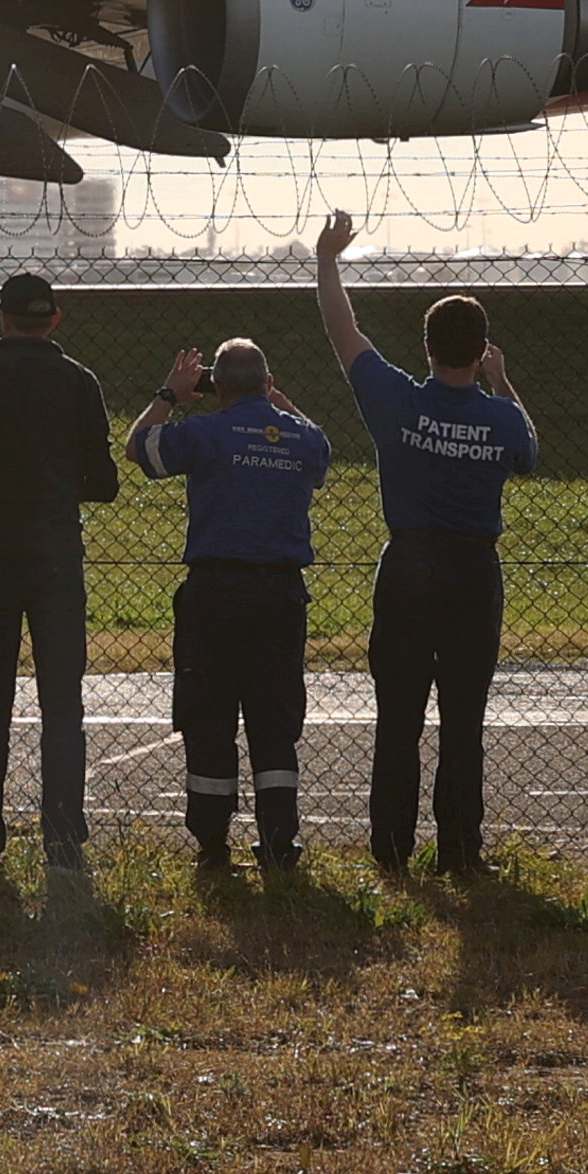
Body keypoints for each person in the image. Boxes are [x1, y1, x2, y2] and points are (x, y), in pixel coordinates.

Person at [312, 212, 535, 880]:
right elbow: (527, 450)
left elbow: (341, 331)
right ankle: (461, 849)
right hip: (472, 568)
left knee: (399, 713)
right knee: (463, 717)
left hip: (408, 563)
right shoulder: (498, 415)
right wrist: (500, 380)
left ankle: (390, 844)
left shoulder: (398, 401)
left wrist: (327, 261)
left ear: (427, 345)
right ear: (482, 346)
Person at [0, 270, 116, 875]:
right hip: (56, 554)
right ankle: (62, 833)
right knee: (63, 701)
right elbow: (104, 482)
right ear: (53, 319)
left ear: (4, 319)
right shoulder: (79, 381)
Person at [135, 334, 335, 869]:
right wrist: (275, 401)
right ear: (268, 384)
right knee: (274, 718)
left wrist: (171, 393)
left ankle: (211, 841)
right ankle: (278, 839)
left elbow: (142, 448)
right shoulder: (300, 437)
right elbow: (321, 448)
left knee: (209, 716)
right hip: (281, 593)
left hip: (217, 592)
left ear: (215, 386)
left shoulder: (206, 431)